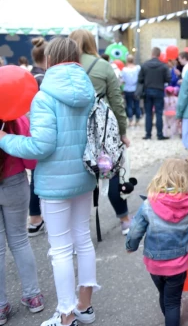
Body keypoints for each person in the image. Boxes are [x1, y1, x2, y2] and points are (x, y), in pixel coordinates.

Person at [0, 37, 100, 326]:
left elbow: (41, 147)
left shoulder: (44, 96)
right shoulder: (87, 90)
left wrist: (7, 140)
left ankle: (66, 314)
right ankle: (85, 306)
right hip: (84, 176)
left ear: (49, 59)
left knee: (59, 249)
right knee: (83, 241)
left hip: (55, 183)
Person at [126, 157, 188, 326]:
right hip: (178, 266)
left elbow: (135, 230)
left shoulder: (148, 205)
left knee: (164, 295)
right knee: (173, 301)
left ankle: (169, 319)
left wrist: (131, 246)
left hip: (154, 264)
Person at [70, 29, 132, 235]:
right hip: (102, 130)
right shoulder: (103, 66)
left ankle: (79, 229)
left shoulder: (63, 67)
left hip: (73, 129)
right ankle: (124, 220)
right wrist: (122, 132)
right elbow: (116, 101)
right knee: (110, 171)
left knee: (79, 174)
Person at [0, 116, 45, 324]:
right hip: (14, 181)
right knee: (20, 240)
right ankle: (33, 296)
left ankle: (0, 307)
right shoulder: (15, 118)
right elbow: (31, 160)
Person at [27, 37, 47, 237]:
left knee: (35, 174)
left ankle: (35, 217)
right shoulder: (42, 79)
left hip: (30, 129)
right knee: (40, 175)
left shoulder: (28, 76)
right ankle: (36, 217)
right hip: (42, 129)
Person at [139, 48, 171, 141]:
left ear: (152, 53)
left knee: (148, 113)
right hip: (159, 91)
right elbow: (168, 79)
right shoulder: (163, 66)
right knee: (159, 113)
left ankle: (148, 135)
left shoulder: (144, 65)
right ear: (159, 54)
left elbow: (140, 79)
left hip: (147, 91)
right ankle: (160, 135)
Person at [121, 55, 141, 127]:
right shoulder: (137, 68)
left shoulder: (124, 70)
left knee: (129, 105)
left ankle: (130, 120)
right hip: (136, 89)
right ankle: (138, 120)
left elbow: (122, 80)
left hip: (127, 89)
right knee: (137, 105)